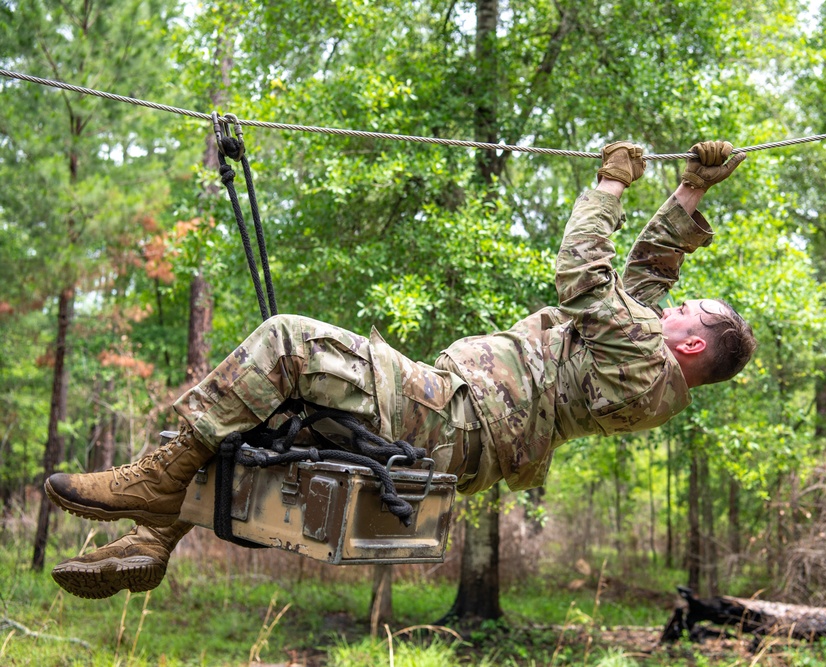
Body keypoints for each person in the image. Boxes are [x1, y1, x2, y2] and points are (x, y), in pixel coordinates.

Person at [45, 140, 754, 599]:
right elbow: (650, 272)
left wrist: (608, 186)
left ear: (690, 345)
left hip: (456, 414)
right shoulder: (656, 367)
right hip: (466, 426)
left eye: (690, 309)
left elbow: (584, 274)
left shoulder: (641, 356)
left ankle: (157, 478)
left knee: (290, 343)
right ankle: (155, 534)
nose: (674, 305)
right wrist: (691, 190)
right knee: (277, 411)